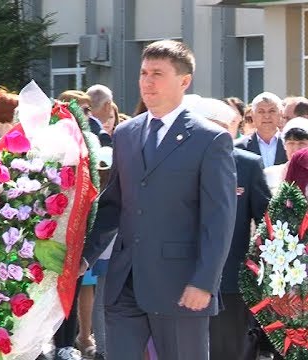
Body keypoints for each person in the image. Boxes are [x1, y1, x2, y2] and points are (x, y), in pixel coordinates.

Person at [81, 40, 237, 360]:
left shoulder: (211, 139)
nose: (147, 81)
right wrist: (84, 257)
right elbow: (114, 206)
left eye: (157, 74)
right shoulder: (126, 133)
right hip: (125, 281)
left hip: (181, 286)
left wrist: (205, 282)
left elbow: (219, 219)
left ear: (183, 81)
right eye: (143, 73)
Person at [188, 97, 271, 360]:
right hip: (179, 278)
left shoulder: (247, 165)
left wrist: (259, 269)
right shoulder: (175, 163)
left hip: (230, 284)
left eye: (224, 128)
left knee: (229, 352)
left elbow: (268, 224)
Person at [235, 92, 287, 168]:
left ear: (281, 113)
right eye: (261, 112)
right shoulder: (238, 147)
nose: (266, 116)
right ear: (252, 115)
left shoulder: (291, 145)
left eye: (272, 111)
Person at [263, 117, 308, 193]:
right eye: (291, 143)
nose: (296, 149)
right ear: (284, 145)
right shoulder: (269, 175)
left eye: (302, 143)